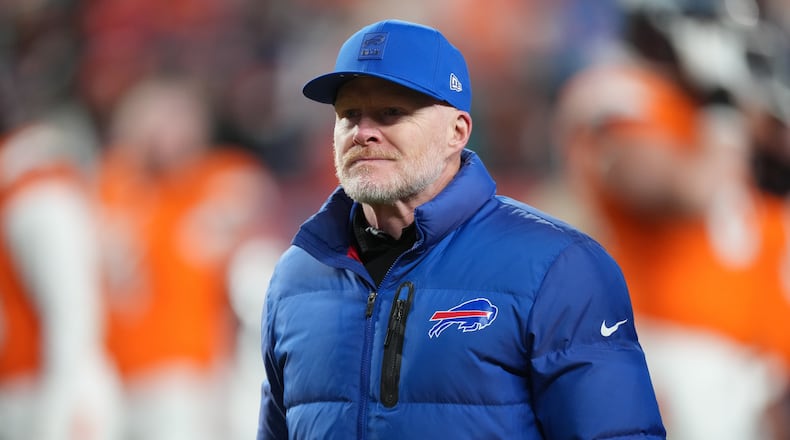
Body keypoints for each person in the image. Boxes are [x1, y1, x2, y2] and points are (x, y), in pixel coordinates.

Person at [257, 19, 665, 439]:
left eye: (391, 113)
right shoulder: (297, 276)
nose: (363, 133)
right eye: (348, 115)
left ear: (457, 132)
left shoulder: (559, 267)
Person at [96, 74, 280, 440]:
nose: (166, 132)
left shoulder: (219, 178)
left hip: (187, 373)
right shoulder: (113, 185)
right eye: (154, 119)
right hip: (114, 373)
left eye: (176, 119)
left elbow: (257, 209)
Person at [0, 120, 123, 440]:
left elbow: (73, 312)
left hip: (44, 391)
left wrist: (60, 411)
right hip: (28, 389)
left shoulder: (35, 193)